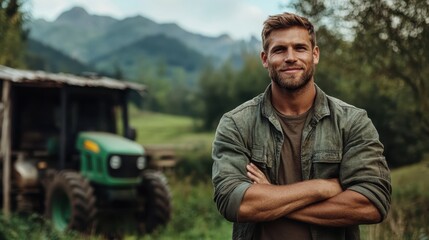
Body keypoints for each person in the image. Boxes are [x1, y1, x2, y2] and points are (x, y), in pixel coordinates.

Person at [211, 12, 391, 240]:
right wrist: (321, 188)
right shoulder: (237, 123)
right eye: (279, 50)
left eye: (300, 48)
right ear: (265, 59)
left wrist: (270, 198)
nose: (290, 57)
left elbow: (372, 204)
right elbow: (233, 202)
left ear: (314, 55)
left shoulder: (352, 121)